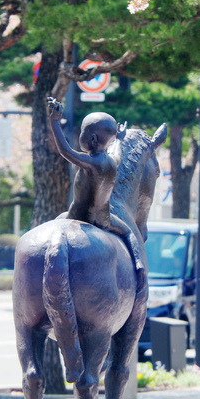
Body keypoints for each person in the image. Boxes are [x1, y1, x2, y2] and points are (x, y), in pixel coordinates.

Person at [47, 97, 145, 276]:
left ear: (92, 139)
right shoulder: (111, 162)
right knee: (129, 233)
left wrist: (55, 122)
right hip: (103, 218)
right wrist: (120, 139)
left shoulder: (90, 162)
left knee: (56, 223)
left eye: (82, 133)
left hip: (77, 215)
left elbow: (65, 151)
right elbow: (118, 153)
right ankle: (138, 263)